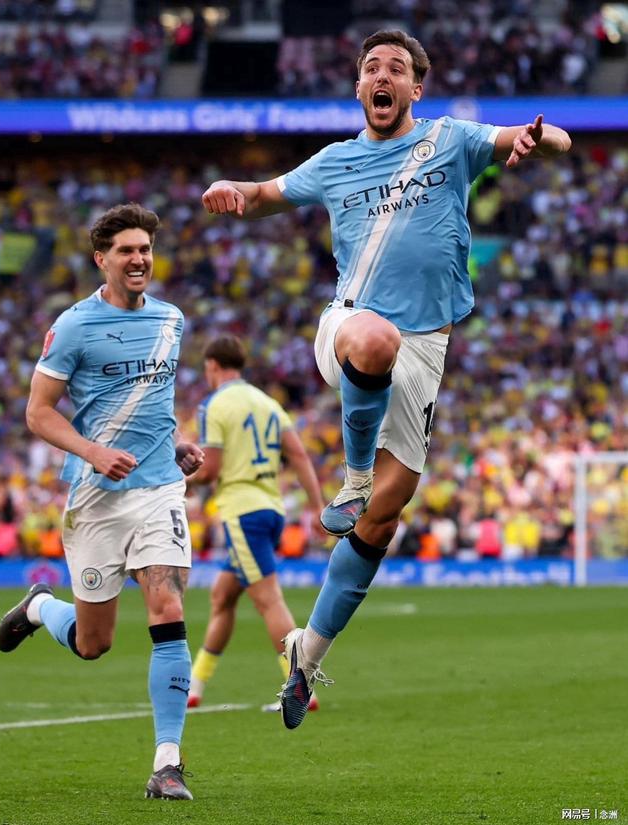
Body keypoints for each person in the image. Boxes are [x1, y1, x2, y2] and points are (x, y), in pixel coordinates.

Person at [201, 29, 572, 730]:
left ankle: (307, 655)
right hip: (350, 325)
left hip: (428, 346)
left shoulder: (449, 139)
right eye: (371, 67)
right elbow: (266, 192)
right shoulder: (335, 161)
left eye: (396, 68)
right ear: (358, 88)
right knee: (375, 341)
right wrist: (232, 190)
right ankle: (353, 475)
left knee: (387, 513)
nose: (382, 75)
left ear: (414, 88)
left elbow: (542, 140)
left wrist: (540, 139)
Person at [0, 203, 204, 799]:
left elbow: (150, 401)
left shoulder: (171, 319)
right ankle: (41, 607)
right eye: (126, 251)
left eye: (145, 249)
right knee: (94, 644)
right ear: (101, 259)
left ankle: (167, 764)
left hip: (159, 489)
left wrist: (174, 444)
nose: (139, 259)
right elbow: (38, 413)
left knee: (167, 607)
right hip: (96, 498)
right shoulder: (73, 326)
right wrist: (92, 452)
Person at [183, 334, 326, 712]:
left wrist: (179, 481)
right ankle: (195, 685)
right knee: (223, 596)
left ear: (212, 366)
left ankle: (302, 688)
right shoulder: (267, 403)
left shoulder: (214, 405)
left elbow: (210, 469)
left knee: (269, 601)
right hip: (271, 509)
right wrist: (317, 507)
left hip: (242, 511)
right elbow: (299, 455)